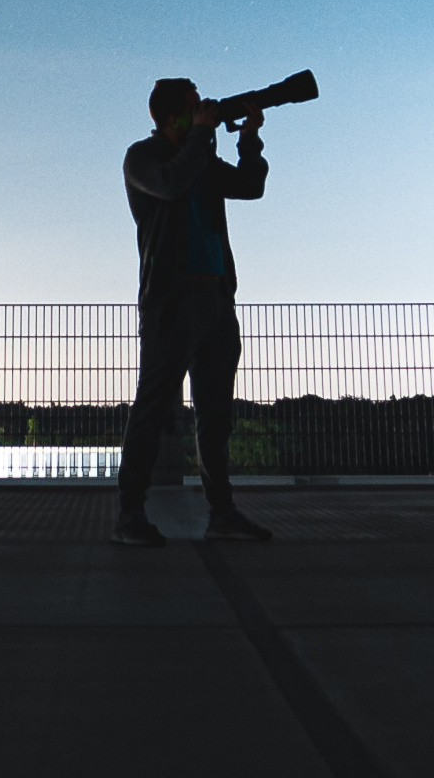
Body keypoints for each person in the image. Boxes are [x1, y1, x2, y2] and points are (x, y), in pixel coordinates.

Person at [114, 77, 274, 545]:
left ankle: (222, 515)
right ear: (169, 116)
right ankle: (129, 515)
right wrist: (204, 135)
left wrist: (248, 139)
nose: (203, 108)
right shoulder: (143, 157)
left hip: (216, 300)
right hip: (171, 300)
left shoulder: (200, 158)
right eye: (192, 105)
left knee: (215, 413)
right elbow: (169, 185)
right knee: (154, 405)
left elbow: (250, 186)